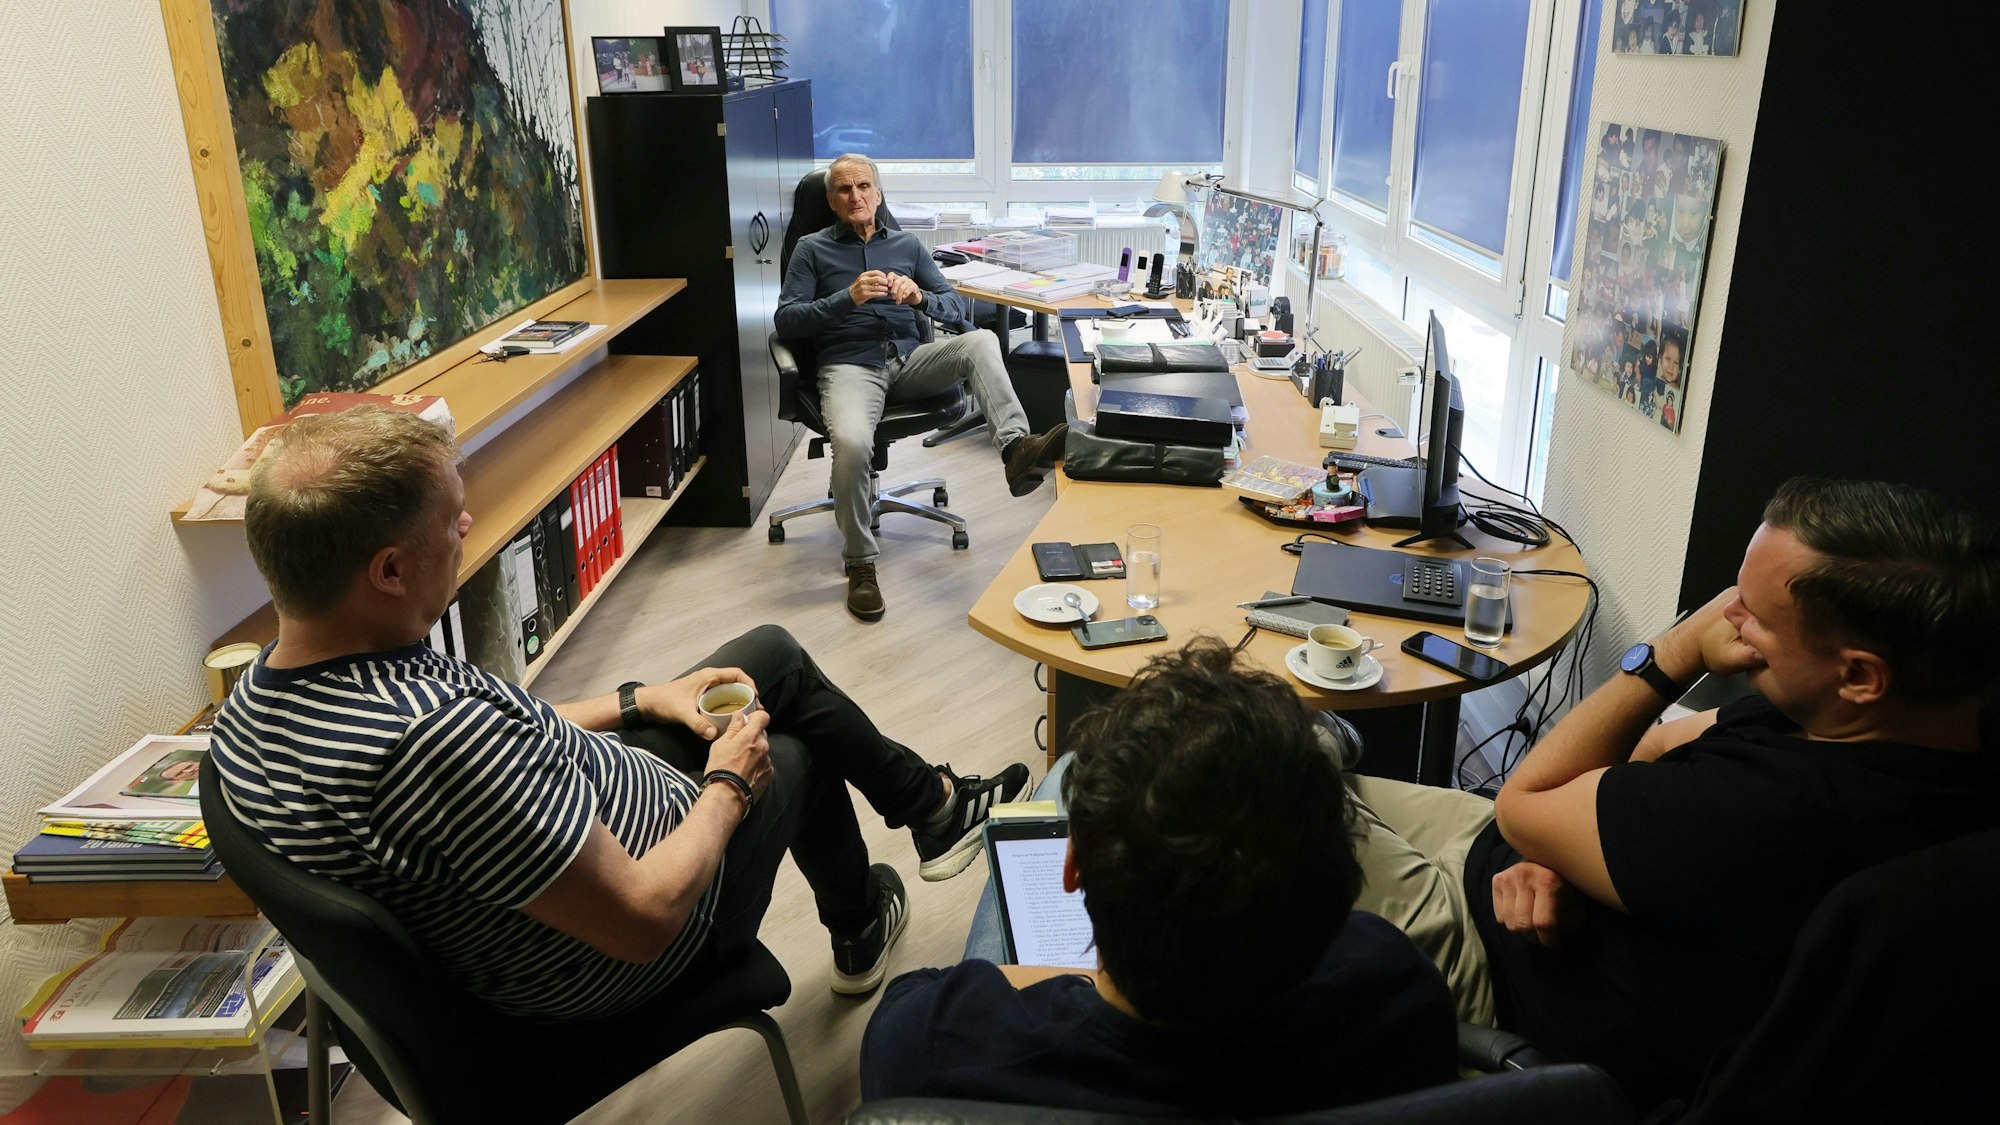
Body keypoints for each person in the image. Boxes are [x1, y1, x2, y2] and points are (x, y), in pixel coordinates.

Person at [207, 406, 1030, 1022]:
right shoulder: (431, 740)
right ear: (388, 569)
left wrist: (642, 698)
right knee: (786, 744)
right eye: (448, 519)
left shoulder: (263, 692)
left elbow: (502, 728)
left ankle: (931, 809)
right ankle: (863, 914)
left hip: (570, 841)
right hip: (644, 931)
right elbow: (641, 921)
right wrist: (727, 789)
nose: (465, 526)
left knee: (767, 655)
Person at [1342, 477, 2000, 1109]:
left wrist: (1677, 649)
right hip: (1514, 856)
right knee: (1327, 782)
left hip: (1492, 957)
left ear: (1859, 673)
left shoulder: (1770, 812)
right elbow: (1654, 746)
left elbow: (1523, 801)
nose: (1728, 616)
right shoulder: (1892, 728)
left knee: (1270, 801)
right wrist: (1560, 843)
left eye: (1751, 613)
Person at [859, 639, 1457, 1116]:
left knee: (1066, 770)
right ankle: (1324, 740)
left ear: (1072, 870)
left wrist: (1084, 976)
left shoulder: (930, 1039)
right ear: (1332, 894)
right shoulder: (1398, 989)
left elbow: (912, 1010)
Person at [775, 153, 1067, 622]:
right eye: (845, 190)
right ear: (831, 200)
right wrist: (844, 298)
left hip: (909, 361)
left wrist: (919, 297)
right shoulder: (811, 249)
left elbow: (955, 309)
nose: (856, 196)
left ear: (879, 193)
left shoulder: (909, 245)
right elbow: (786, 320)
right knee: (850, 443)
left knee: (982, 340)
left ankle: (1017, 449)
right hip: (849, 366)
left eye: (864, 187)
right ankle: (860, 562)